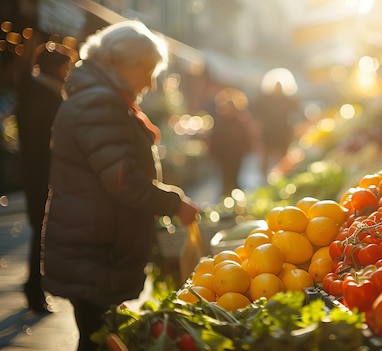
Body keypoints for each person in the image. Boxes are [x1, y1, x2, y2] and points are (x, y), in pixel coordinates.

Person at [40, 20, 199, 351]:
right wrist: (174, 204)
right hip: (96, 251)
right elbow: (122, 180)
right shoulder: (99, 103)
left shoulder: (99, 98)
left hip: (96, 246)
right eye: (149, 70)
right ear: (123, 63)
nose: (151, 83)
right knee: (96, 339)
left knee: (98, 336)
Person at [14, 41, 74, 314]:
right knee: (42, 231)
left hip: (34, 171)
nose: (67, 73)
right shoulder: (48, 97)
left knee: (40, 230)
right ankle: (34, 289)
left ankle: (34, 287)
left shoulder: (33, 91)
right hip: (45, 174)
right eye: (66, 67)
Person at [206, 87, 255, 196]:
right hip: (223, 158)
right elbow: (214, 139)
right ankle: (227, 200)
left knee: (233, 179)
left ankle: (233, 199)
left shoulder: (239, 122)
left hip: (235, 157)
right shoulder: (220, 122)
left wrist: (244, 151)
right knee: (225, 180)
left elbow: (246, 139)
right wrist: (212, 154)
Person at [250, 81, 300, 176]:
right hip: (269, 131)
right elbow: (256, 109)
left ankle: (281, 173)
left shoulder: (286, 100)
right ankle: (264, 173)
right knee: (266, 154)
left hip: (282, 131)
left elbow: (295, 109)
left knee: (282, 154)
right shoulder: (266, 100)